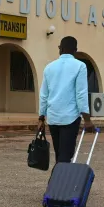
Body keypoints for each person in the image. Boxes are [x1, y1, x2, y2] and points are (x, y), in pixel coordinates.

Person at [38, 36, 93, 164]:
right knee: (65, 155)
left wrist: (41, 117)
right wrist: (87, 120)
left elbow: (44, 95)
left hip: (53, 118)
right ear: (75, 50)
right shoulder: (80, 66)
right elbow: (81, 94)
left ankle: (59, 180)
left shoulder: (49, 67)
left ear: (60, 49)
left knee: (60, 154)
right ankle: (57, 181)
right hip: (70, 118)